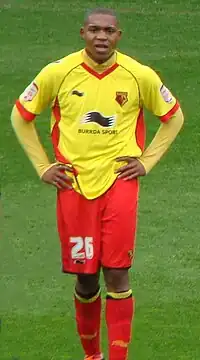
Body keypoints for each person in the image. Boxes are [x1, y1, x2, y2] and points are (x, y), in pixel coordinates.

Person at [11, 7, 184, 360]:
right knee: (86, 278)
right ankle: (92, 356)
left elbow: (174, 117)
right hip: (74, 187)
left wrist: (146, 161)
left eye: (109, 31)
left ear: (119, 36)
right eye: (94, 30)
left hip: (119, 183)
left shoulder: (139, 75)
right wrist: (43, 167)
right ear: (82, 33)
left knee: (118, 273)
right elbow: (20, 116)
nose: (101, 37)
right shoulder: (58, 72)